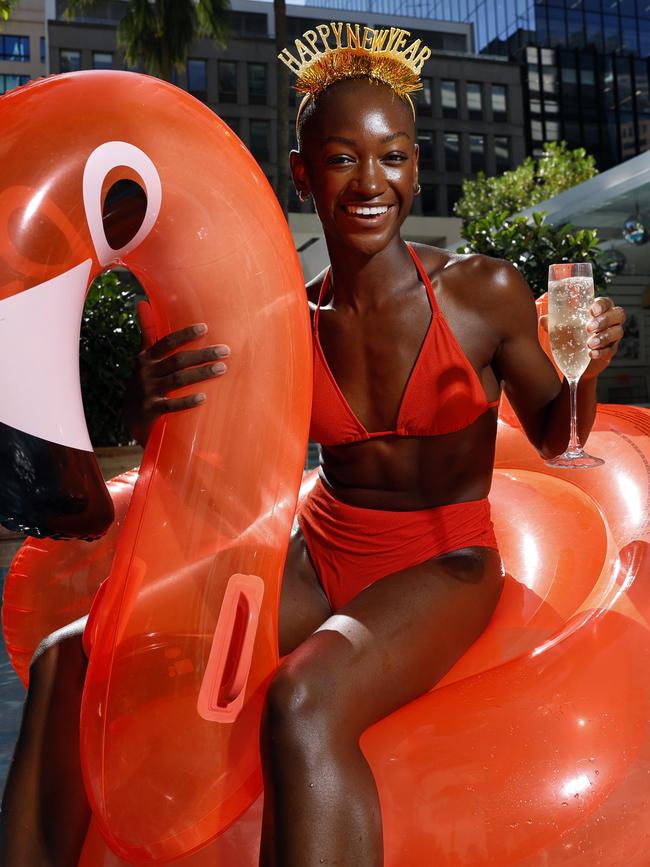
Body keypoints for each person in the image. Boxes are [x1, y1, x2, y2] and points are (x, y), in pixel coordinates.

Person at [0, 23, 626, 867]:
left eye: (393, 157)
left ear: (414, 165)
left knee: (302, 700)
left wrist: (587, 369)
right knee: (71, 654)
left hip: (444, 566)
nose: (372, 182)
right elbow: (214, 474)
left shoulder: (482, 292)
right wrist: (144, 404)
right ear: (304, 172)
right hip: (322, 551)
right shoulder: (287, 325)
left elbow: (557, 438)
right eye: (343, 158)